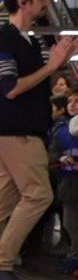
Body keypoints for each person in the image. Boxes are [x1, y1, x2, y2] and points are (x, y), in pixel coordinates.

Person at [0, 0, 78, 280]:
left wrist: (52, 67)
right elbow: (10, 89)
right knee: (39, 195)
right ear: (23, 2)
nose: (46, 2)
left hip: (21, 128)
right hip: (15, 130)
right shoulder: (3, 40)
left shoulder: (29, 41)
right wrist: (53, 67)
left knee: (2, 198)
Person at [49, 94, 78, 269]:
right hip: (68, 184)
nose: (72, 105)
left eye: (77, 102)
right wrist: (61, 157)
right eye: (70, 101)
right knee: (69, 223)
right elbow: (52, 152)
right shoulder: (61, 130)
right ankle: (73, 255)